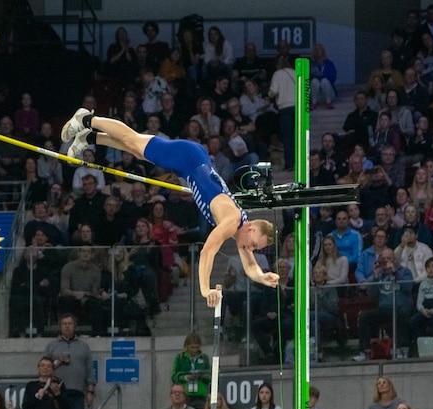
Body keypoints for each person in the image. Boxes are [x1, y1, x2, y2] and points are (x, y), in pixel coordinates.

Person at [61, 109, 277, 310]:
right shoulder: (232, 220)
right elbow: (207, 251)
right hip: (188, 158)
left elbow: (250, 266)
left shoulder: (241, 229)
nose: (252, 249)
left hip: (191, 163)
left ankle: (89, 138)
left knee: (136, 149)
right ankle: (86, 119)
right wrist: (205, 289)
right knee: (133, 139)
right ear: (251, 230)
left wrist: (262, 277)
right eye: (255, 244)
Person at [44, 315, 95, 409]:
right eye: (64, 323)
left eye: (70, 323)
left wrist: (90, 391)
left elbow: (90, 370)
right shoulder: (51, 346)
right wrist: (57, 361)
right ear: (60, 327)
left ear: (75, 326)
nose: (67, 326)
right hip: (55, 393)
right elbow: (44, 367)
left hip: (77, 392)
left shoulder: (84, 346)